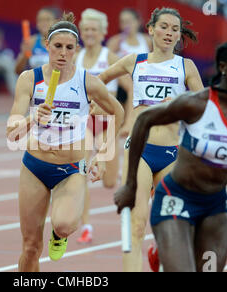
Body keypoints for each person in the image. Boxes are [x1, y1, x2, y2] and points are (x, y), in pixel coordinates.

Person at [114, 39, 227, 272]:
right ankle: (166, 247)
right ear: (223, 67)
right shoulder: (197, 104)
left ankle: (162, 249)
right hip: (176, 200)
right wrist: (130, 185)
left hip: (215, 207)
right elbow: (144, 120)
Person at [6, 12, 124, 272]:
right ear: (46, 45)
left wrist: (103, 156)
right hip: (35, 167)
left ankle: (59, 236)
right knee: (30, 247)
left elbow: (118, 112)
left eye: (69, 48)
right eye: (57, 46)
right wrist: (31, 119)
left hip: (70, 170)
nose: (63, 53)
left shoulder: (87, 82)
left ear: (76, 50)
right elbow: (12, 133)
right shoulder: (30, 79)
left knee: (64, 224)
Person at [99, 7, 204, 272]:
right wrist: (102, 104)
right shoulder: (135, 61)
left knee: (171, 228)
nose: (169, 33)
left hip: (171, 154)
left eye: (175, 29)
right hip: (139, 150)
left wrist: (182, 102)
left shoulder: (186, 66)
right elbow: (98, 82)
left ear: (180, 35)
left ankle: (158, 250)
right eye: (164, 27)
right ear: (151, 29)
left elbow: (204, 107)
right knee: (136, 223)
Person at [74, 8, 132, 244]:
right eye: (86, 29)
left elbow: (129, 88)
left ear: (102, 33)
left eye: (93, 30)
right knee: (80, 173)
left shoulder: (108, 57)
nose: (89, 33)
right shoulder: (76, 56)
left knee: (109, 182)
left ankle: (121, 177)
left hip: (108, 121)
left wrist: (128, 121)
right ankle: (86, 225)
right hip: (83, 122)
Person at [107, 8, 153, 137]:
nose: (126, 25)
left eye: (129, 21)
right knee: (132, 85)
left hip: (141, 77)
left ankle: (133, 121)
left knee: (137, 84)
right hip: (120, 78)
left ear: (138, 22)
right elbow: (106, 63)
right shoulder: (115, 41)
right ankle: (128, 124)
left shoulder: (147, 40)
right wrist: (114, 51)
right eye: (123, 22)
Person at [14, 7, 59, 75]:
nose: (44, 23)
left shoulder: (61, 43)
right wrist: (25, 54)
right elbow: (17, 71)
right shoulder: (31, 41)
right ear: (37, 24)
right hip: (33, 83)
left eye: (47, 19)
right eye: (40, 20)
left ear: (56, 22)